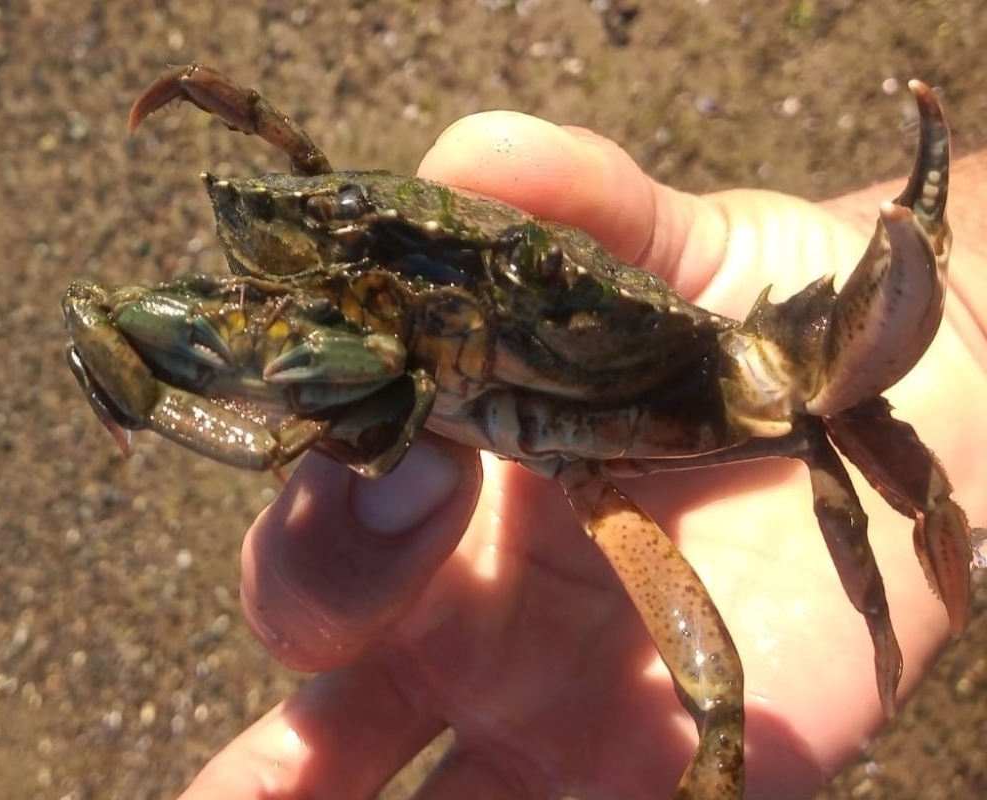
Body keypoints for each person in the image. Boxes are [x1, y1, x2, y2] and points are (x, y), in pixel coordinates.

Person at [179, 111, 987, 800]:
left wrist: (961, 317)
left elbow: (808, 391)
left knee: (719, 705)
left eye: (525, 279)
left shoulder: (706, 385)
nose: (444, 306)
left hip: (610, 425)